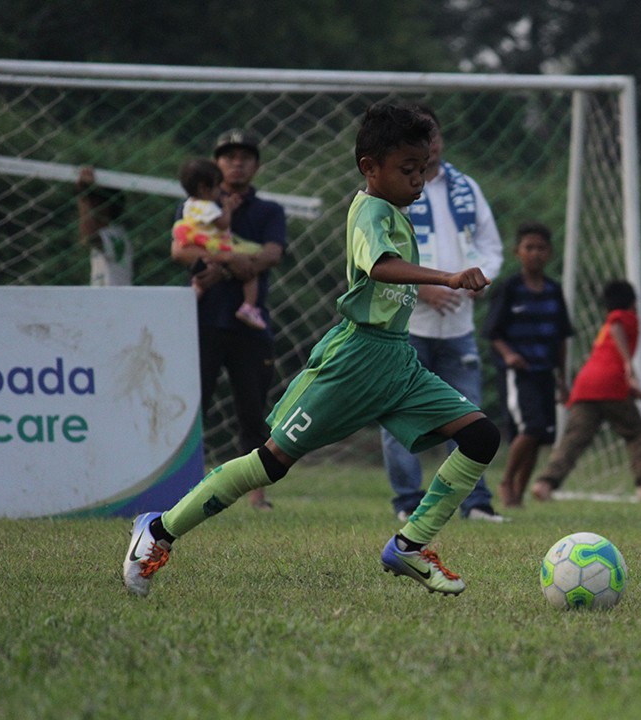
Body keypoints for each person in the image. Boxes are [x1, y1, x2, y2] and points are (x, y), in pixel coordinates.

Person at [124, 103, 500, 599]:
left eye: (424, 169)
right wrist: (448, 275)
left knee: (480, 437)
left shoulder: (396, 209)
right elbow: (380, 267)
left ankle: (410, 545)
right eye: (408, 170)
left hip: (397, 362)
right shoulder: (369, 210)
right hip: (353, 362)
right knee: (272, 462)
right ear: (370, 167)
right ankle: (158, 530)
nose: (419, 180)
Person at [380, 104, 506, 523]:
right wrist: (423, 288)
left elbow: (490, 245)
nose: (429, 146)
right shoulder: (389, 190)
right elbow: (378, 256)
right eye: (420, 138)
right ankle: (407, 502)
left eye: (433, 136)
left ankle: (474, 503)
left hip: (458, 327)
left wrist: (479, 278)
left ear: (441, 140)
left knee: (468, 413)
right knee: (399, 413)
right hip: (406, 326)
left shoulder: (465, 187)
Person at [170, 129, 286, 511]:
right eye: (228, 156)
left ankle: (257, 493)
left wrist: (228, 266)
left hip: (250, 325)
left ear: (256, 165)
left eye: (245, 156)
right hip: (201, 321)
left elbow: (272, 254)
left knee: (252, 410)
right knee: (194, 406)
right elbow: (181, 250)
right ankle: (185, 486)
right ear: (215, 165)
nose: (237, 162)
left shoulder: (269, 211)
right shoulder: (193, 205)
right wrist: (227, 263)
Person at [530, 280, 641, 504]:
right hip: (612, 386)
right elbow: (617, 327)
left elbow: (624, 379)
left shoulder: (606, 329)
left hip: (586, 385)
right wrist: (628, 363)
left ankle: (544, 484)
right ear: (634, 303)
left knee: (573, 440)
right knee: (637, 434)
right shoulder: (623, 318)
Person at [482, 221, 573, 508]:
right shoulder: (509, 288)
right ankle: (507, 481)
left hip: (546, 371)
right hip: (519, 373)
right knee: (530, 428)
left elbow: (561, 337)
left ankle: (518, 494)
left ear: (550, 253)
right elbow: (492, 332)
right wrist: (509, 355)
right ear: (517, 252)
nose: (535, 253)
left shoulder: (554, 291)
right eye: (529, 247)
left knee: (541, 436)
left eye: (541, 248)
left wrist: (562, 378)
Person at [172, 158, 266, 330]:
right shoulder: (208, 206)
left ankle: (194, 296)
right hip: (214, 244)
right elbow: (222, 224)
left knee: (200, 276)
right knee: (251, 268)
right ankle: (248, 307)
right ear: (204, 188)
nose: (219, 191)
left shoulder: (189, 205)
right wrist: (228, 209)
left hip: (198, 245)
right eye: (216, 186)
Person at [75, 166, 133, 287]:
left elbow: (89, 237)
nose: (90, 205)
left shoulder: (115, 235)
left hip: (113, 300)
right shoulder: (113, 232)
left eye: (93, 199)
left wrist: (83, 195)